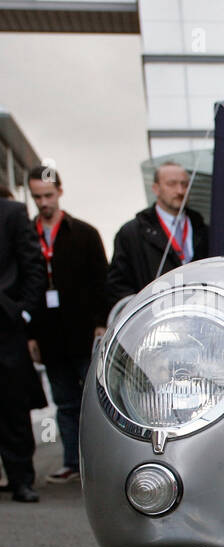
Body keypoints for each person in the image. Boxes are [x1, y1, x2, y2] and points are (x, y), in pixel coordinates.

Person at [25, 166, 110, 484]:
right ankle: (72, 462)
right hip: (49, 335)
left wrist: (101, 324)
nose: (43, 202)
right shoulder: (28, 233)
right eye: (37, 197)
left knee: (94, 400)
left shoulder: (83, 233)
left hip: (83, 330)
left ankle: (99, 464)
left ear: (60, 192)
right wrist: (30, 335)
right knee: (64, 400)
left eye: (47, 195)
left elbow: (101, 279)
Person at [0, 193, 48, 502]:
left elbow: (33, 265)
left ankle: (21, 480)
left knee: (12, 403)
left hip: (6, 324)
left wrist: (24, 311)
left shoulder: (13, 213)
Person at [107, 161, 208, 302]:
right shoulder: (131, 233)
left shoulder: (203, 229)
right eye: (171, 184)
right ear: (156, 188)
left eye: (185, 184)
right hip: (156, 318)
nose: (180, 191)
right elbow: (118, 284)